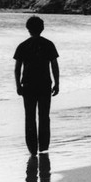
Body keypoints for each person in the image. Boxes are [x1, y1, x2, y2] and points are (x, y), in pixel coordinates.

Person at [14, 16, 60, 156]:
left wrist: (17, 85)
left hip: (28, 85)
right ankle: (43, 146)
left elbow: (17, 68)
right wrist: (57, 83)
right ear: (42, 28)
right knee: (44, 116)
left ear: (28, 29)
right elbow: (54, 65)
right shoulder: (48, 44)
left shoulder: (22, 45)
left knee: (30, 117)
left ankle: (32, 149)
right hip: (45, 84)